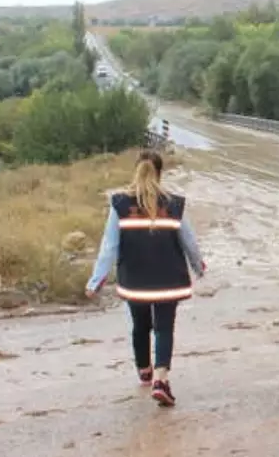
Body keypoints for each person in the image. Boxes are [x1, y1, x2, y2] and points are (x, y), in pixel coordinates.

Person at [85, 150, 205, 407]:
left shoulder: (119, 204)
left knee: (140, 325)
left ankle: (144, 370)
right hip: (168, 280)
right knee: (164, 327)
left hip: (135, 281)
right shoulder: (174, 204)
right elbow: (189, 242)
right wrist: (199, 266)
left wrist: (96, 281)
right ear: (160, 174)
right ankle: (161, 380)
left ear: (136, 170)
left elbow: (109, 246)